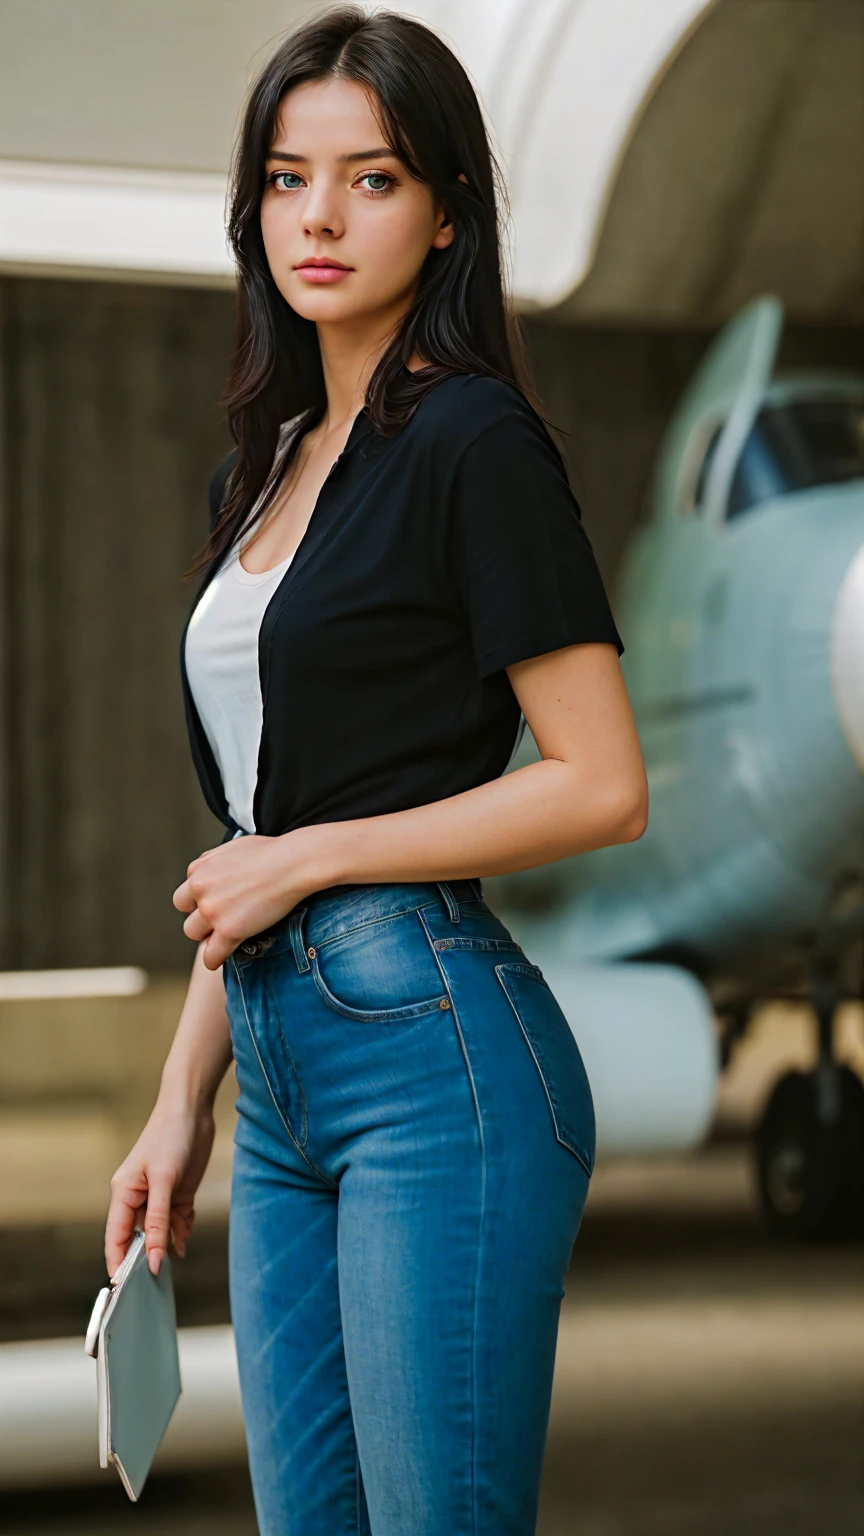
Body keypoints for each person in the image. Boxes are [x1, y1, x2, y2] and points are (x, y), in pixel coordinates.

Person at [104, 7, 648, 1533]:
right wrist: (179, 1101)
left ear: (448, 211)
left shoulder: (476, 442)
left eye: (373, 178)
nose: (322, 218)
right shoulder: (261, 466)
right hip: (274, 1072)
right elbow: (251, 830)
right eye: (288, 178)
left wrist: (319, 856)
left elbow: (602, 780)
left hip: (433, 1057)